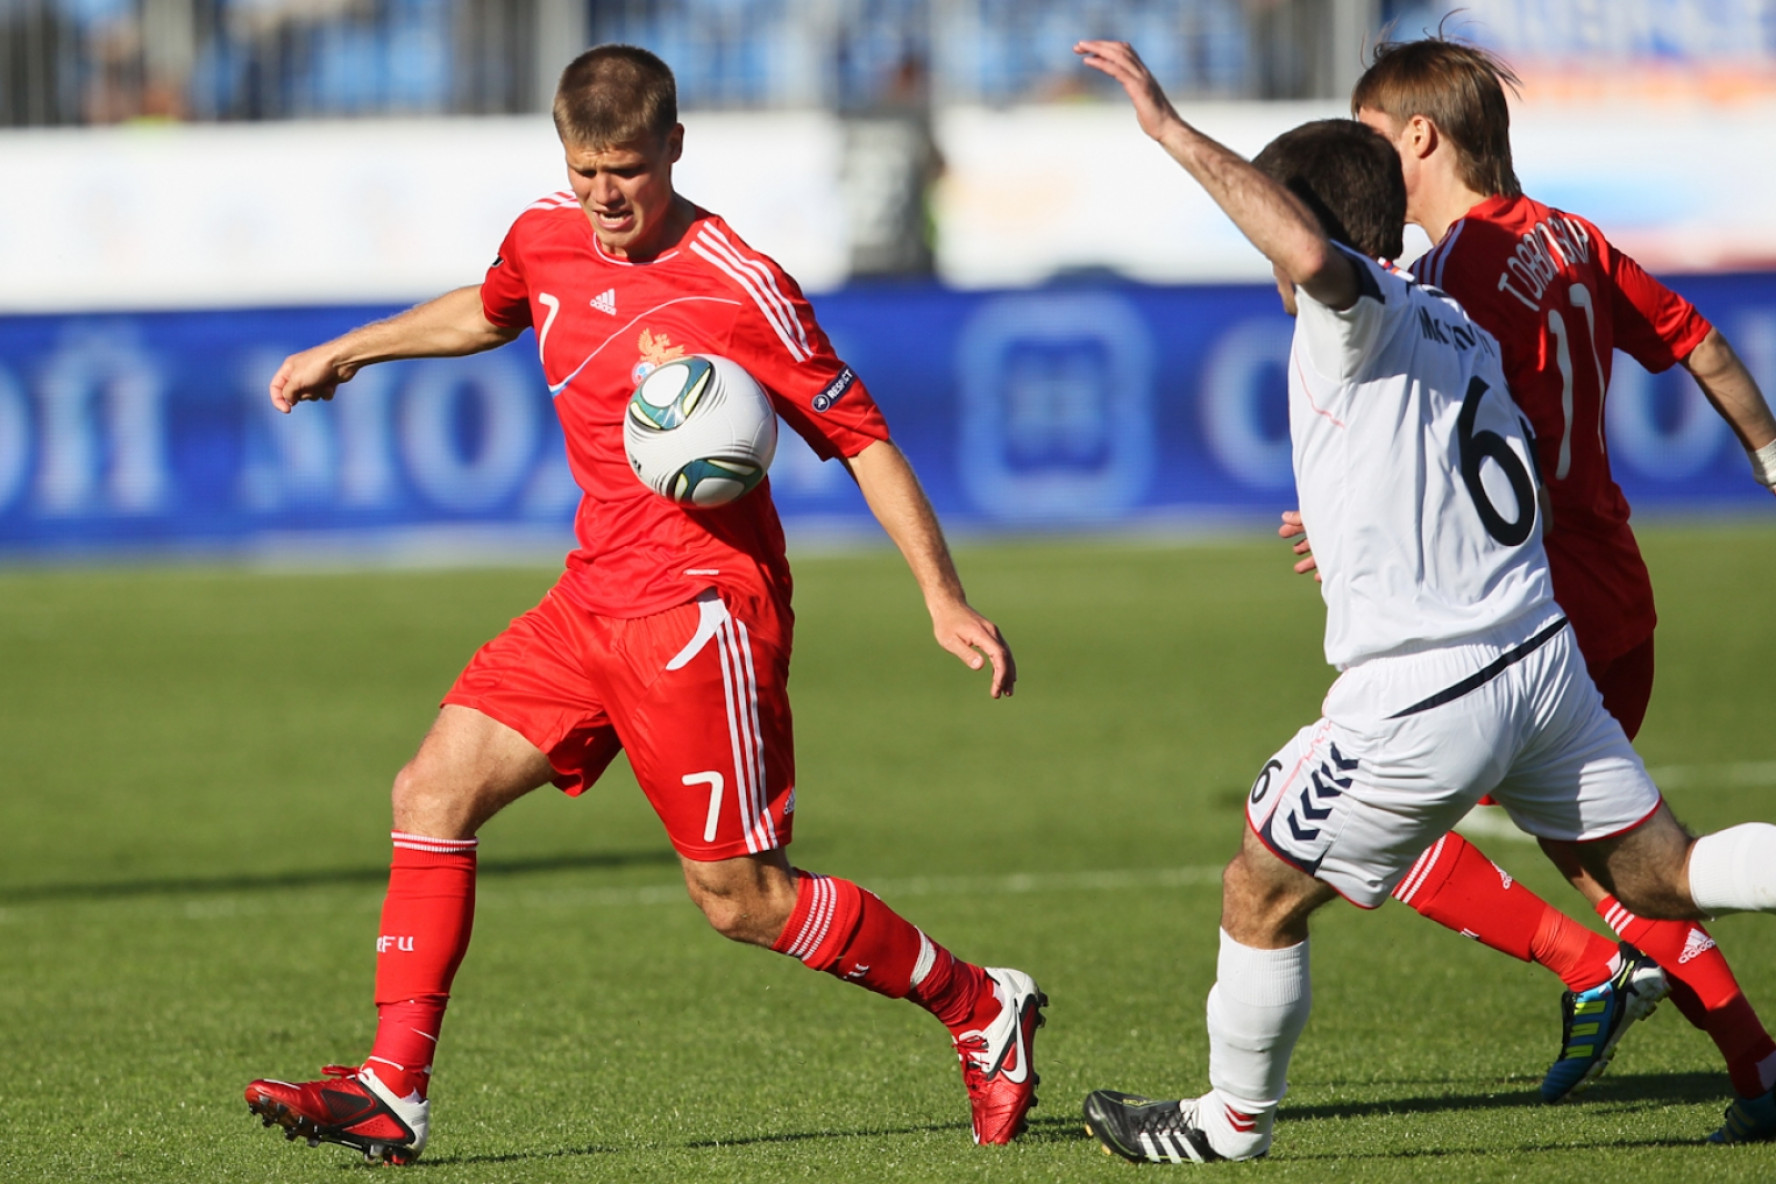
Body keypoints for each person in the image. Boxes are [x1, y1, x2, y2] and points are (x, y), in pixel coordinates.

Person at [243, 44, 1045, 1165]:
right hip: (591, 598)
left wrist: (942, 595)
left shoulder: (738, 279)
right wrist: (352, 349)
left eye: (628, 169)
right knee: (431, 788)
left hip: (702, 611)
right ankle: (392, 1086)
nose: (607, 196)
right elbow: (492, 306)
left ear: (674, 145)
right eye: (585, 172)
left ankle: (977, 1005)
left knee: (743, 899)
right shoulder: (545, 233)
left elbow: (857, 434)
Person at [1070, 38, 1776, 1165]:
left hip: (1431, 682)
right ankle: (1701, 1023)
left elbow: (1309, 248)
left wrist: (1168, 130)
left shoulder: (1365, 307)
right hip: (1541, 659)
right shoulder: (1449, 314)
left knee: (1258, 881)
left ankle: (1227, 1123)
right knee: (1666, 873)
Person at [1298, 35, 1776, 1137]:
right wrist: (1767, 458)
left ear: (1417, 136)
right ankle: (1750, 1064)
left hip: (1515, 608)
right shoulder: (1571, 235)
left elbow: (1459, 436)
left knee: (1383, 819)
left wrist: (1362, 516)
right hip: (1616, 588)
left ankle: (1602, 973)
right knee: (1617, 859)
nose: (1359, 163)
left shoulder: (1448, 273)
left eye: (1369, 137)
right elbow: (1699, 342)